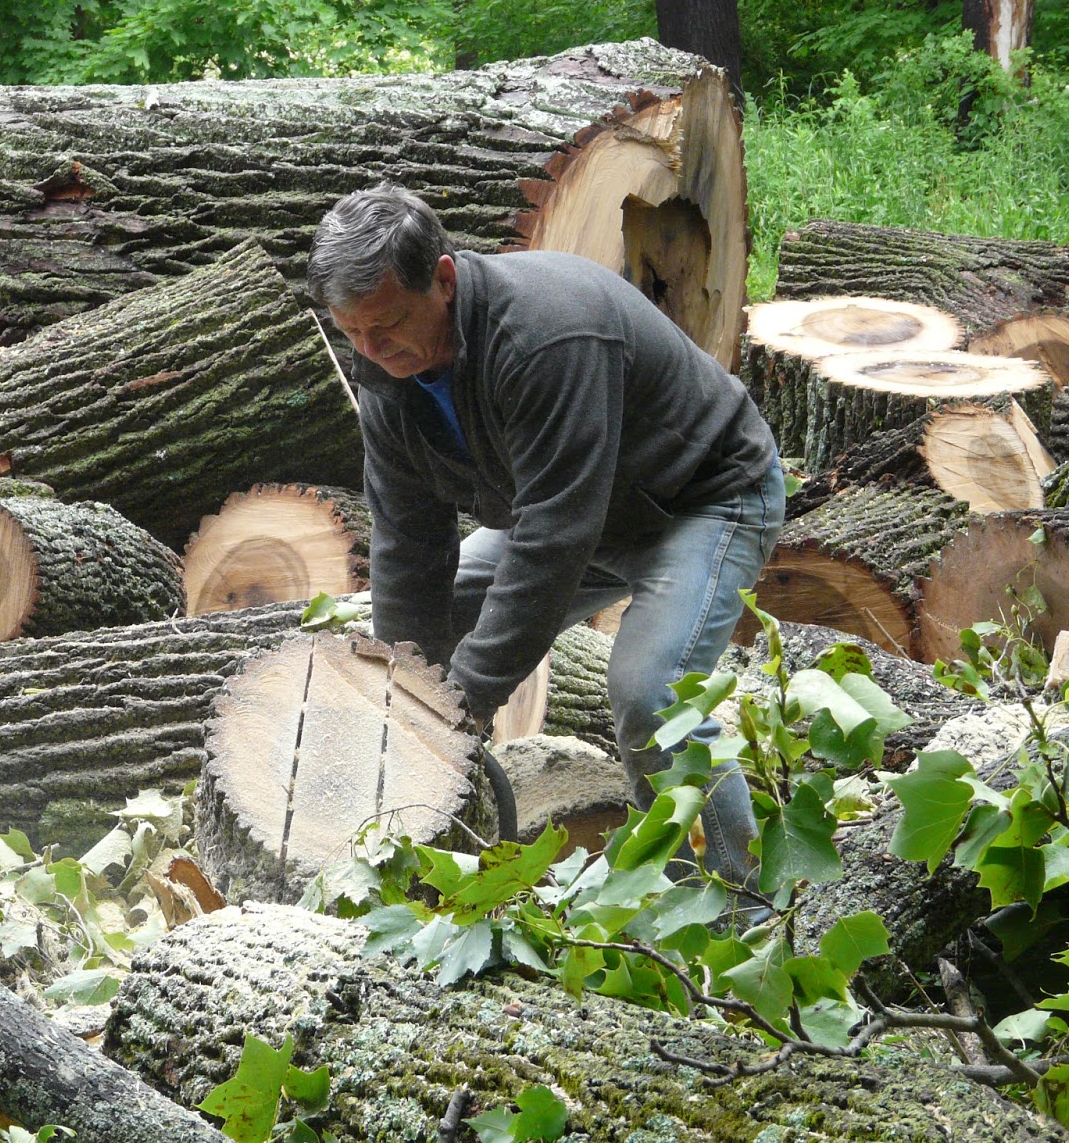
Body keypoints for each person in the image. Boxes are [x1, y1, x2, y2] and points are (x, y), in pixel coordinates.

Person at [305, 183, 784, 894]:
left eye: (389, 326)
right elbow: (409, 543)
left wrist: (461, 709)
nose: (372, 352)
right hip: (577, 517)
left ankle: (741, 907)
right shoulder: (383, 367)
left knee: (651, 695)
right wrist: (410, 700)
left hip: (702, 500)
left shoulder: (546, 334)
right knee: (416, 644)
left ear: (443, 278)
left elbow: (555, 538)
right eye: (353, 335)